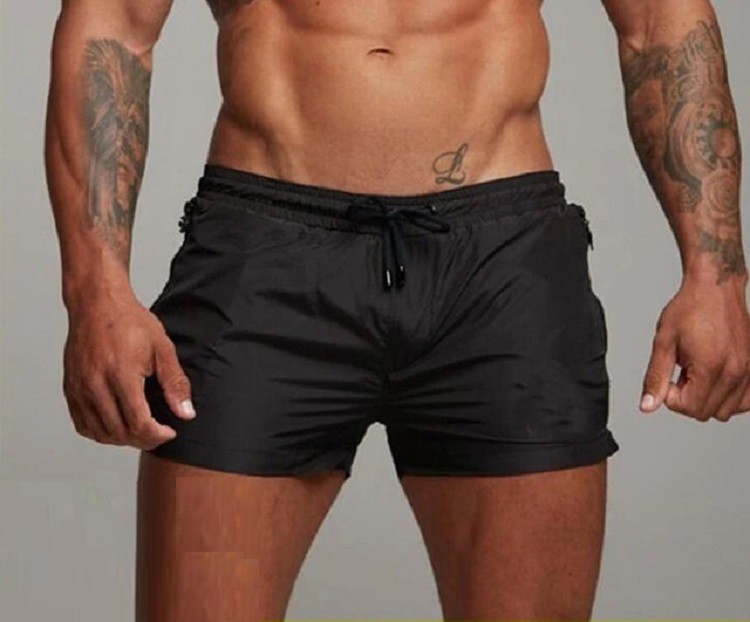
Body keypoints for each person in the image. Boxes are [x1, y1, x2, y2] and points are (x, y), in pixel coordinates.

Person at [45, 0, 748, 620]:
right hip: (264, 262)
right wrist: (95, 290)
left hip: (502, 272)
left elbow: (659, 22)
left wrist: (716, 275)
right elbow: (114, 24)